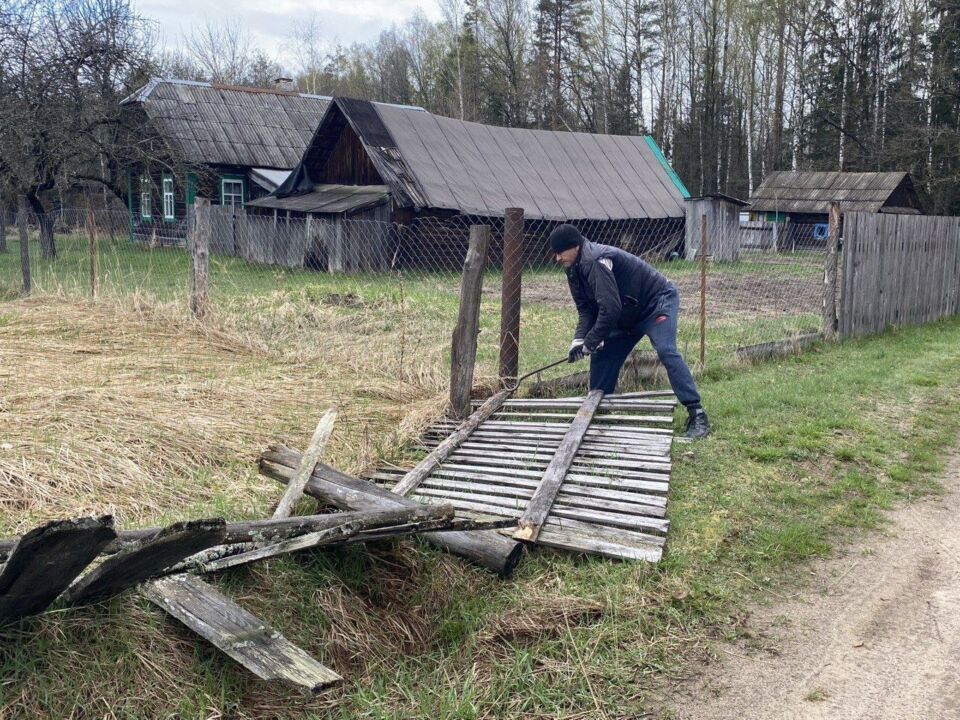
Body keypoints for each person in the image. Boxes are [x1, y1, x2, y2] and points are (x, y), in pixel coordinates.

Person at [549, 224, 711, 439]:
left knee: (666, 350)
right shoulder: (573, 268)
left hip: (655, 303)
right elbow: (586, 310)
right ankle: (599, 412)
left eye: (560, 252)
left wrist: (592, 339)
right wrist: (579, 340)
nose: (557, 258)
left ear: (576, 246)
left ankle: (697, 413)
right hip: (627, 312)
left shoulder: (595, 260)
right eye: (555, 253)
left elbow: (610, 308)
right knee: (603, 356)